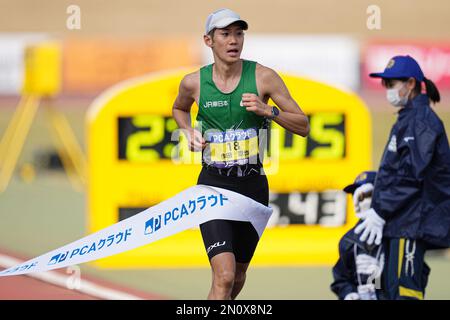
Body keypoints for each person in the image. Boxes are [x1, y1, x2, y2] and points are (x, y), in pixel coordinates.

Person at [172, 8, 309, 300]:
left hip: (252, 188)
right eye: (225, 34)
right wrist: (186, 130)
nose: (233, 40)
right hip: (212, 186)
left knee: (238, 278)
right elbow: (179, 108)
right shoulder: (193, 83)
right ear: (208, 41)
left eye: (239, 33)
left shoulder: (264, 77)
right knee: (224, 275)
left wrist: (268, 111)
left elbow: (304, 125)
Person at [354, 55, 450, 300]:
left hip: (411, 224)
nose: (387, 90)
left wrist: (380, 211)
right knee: (390, 290)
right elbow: (396, 173)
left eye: (391, 84)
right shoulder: (409, 119)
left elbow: (410, 176)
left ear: (410, 83)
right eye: (385, 84)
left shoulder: (420, 121)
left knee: (405, 294)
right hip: (401, 222)